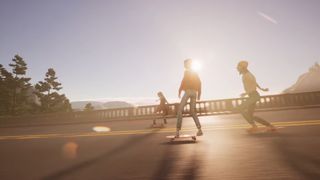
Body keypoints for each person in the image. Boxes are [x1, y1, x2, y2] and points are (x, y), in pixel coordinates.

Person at [236, 60, 276, 132]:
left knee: (240, 108)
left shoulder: (247, 75)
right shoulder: (248, 74)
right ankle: (270, 126)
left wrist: (245, 93)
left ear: (242, 67)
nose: (237, 68)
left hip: (253, 95)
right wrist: (262, 89)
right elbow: (255, 83)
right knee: (250, 115)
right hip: (253, 95)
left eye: (238, 67)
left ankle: (254, 126)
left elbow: (253, 83)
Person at [176, 59, 203, 137]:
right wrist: (199, 94)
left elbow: (183, 81)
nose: (184, 66)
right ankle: (199, 129)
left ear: (187, 65)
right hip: (194, 93)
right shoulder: (195, 72)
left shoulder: (187, 72)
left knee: (180, 110)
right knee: (193, 112)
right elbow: (199, 82)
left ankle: (177, 131)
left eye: (185, 64)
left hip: (188, 92)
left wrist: (179, 91)